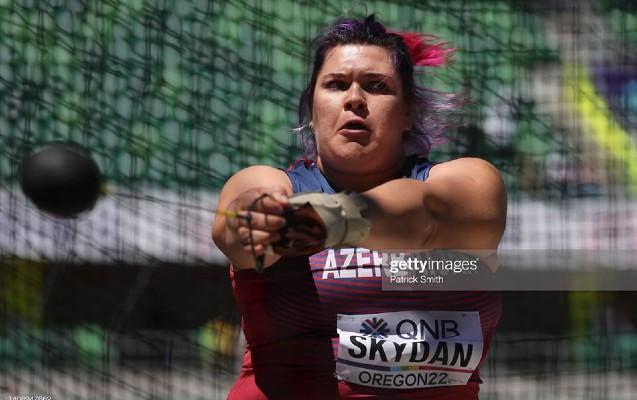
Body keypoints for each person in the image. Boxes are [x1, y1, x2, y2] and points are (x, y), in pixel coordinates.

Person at [212, 15, 506, 400]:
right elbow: (237, 225)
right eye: (336, 84)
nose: (354, 99)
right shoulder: (269, 183)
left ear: (408, 111)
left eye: (376, 86)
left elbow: (425, 216)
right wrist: (257, 223)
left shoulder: (470, 180)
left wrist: (330, 220)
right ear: (311, 110)